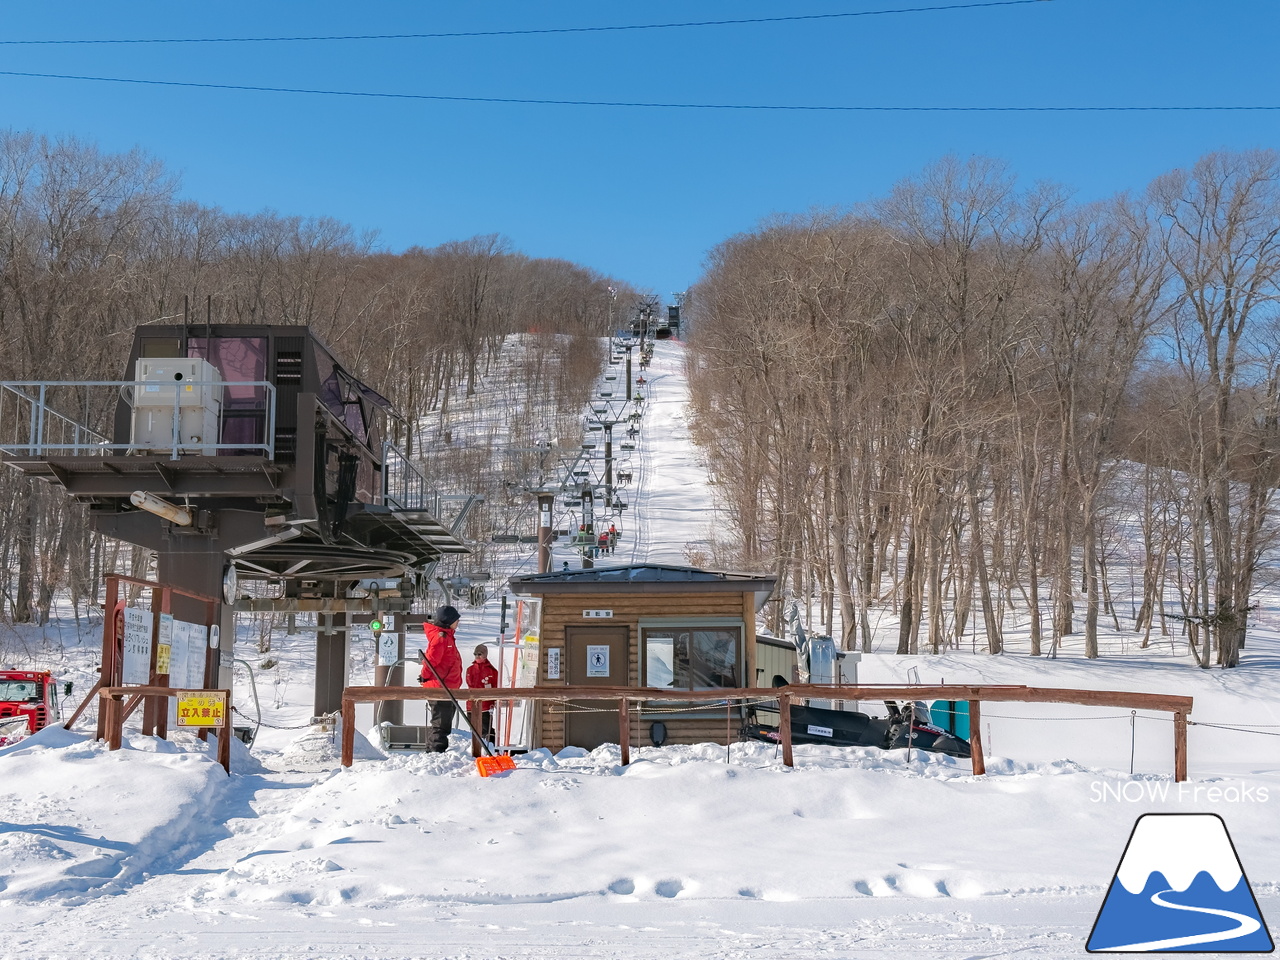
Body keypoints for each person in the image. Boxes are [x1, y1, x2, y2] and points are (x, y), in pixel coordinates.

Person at [419, 605, 463, 752]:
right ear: (448, 621)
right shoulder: (441, 638)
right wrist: (424, 677)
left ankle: (434, 750)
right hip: (440, 687)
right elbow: (431, 661)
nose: (458, 623)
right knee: (441, 723)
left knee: (444, 722)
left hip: (447, 686)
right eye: (456, 620)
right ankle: (435, 752)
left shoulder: (447, 637)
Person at [465, 644, 500, 742]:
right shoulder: (470, 669)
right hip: (471, 704)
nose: (477, 656)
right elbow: (469, 684)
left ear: (485, 655)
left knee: (485, 728)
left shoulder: (492, 671)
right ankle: (476, 748)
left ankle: (490, 747)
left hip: (486, 706)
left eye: (479, 654)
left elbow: (495, 687)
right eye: (475, 654)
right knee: (473, 729)